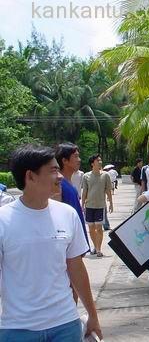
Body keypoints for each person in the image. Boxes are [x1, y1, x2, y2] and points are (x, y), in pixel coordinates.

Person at [0, 144, 102, 341]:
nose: (60, 176)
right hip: (18, 329)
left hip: (65, 324)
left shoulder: (67, 214)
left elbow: (76, 268)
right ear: (30, 176)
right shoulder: (3, 220)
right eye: (53, 170)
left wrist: (93, 315)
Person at [82, 154, 113, 257]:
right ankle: (95, 246)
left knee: (99, 228)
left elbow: (108, 190)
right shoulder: (86, 176)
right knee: (91, 229)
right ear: (92, 163)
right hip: (89, 206)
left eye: (100, 160)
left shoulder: (105, 175)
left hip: (100, 206)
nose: (100, 162)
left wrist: (111, 204)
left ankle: (99, 249)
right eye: (97, 160)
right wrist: (82, 204)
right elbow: (84, 191)